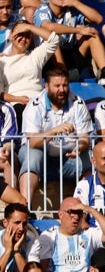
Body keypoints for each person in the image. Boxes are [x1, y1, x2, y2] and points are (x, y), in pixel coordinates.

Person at [19, 63, 93, 206]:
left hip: (67, 158)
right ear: (46, 86)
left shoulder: (78, 103)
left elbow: (85, 138)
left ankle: (84, 208)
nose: (62, 90)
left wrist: (80, 148)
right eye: (57, 86)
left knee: (92, 160)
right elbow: (33, 142)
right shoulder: (35, 105)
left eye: (65, 85)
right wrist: (54, 131)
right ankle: (25, 207)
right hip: (41, 157)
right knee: (33, 155)